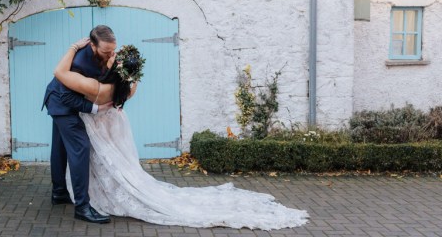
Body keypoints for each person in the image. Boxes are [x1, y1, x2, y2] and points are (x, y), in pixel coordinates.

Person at [53, 39, 310, 230]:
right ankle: (62, 192)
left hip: (97, 119)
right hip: (112, 121)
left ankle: (81, 201)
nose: (112, 56)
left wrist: (74, 50)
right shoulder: (123, 86)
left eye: (113, 55)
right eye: (110, 53)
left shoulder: (98, 86)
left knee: (91, 155)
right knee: (87, 154)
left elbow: (62, 77)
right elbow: (127, 91)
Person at [41, 25, 117, 224]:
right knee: (80, 147)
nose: (110, 54)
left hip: (59, 100)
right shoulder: (79, 59)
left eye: (112, 50)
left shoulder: (105, 54)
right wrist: (94, 109)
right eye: (105, 51)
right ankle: (82, 207)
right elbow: (66, 94)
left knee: (59, 148)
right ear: (92, 46)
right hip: (61, 103)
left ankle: (59, 193)